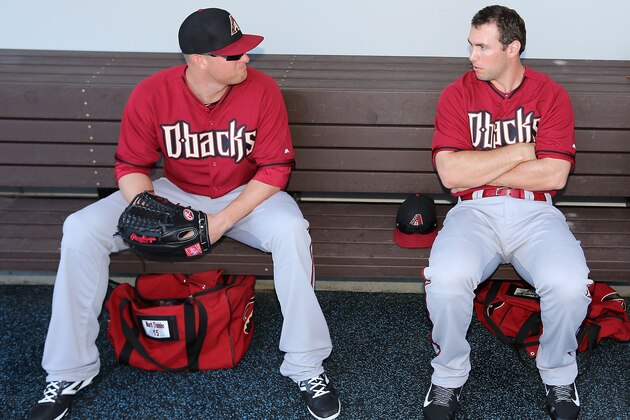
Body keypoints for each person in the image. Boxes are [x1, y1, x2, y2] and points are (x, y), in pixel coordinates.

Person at [28, 8, 340, 420]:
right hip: (175, 192)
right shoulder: (152, 93)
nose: (246, 58)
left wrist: (221, 221)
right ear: (200, 60)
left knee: (292, 233)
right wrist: (151, 208)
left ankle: (306, 365)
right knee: (81, 229)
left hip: (246, 194)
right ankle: (69, 370)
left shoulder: (262, 90)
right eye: (235, 55)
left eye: (245, 51)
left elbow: (274, 170)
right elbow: (132, 167)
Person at [422, 5, 591, 420]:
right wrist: (520, 151)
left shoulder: (550, 94)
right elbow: (450, 173)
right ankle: (447, 377)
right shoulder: (457, 93)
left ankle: (558, 374)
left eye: (482, 47)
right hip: (472, 212)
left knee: (569, 285)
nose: (472, 56)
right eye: (471, 45)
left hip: (535, 214)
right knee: (445, 281)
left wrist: (478, 165)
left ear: (512, 48)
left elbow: (553, 174)